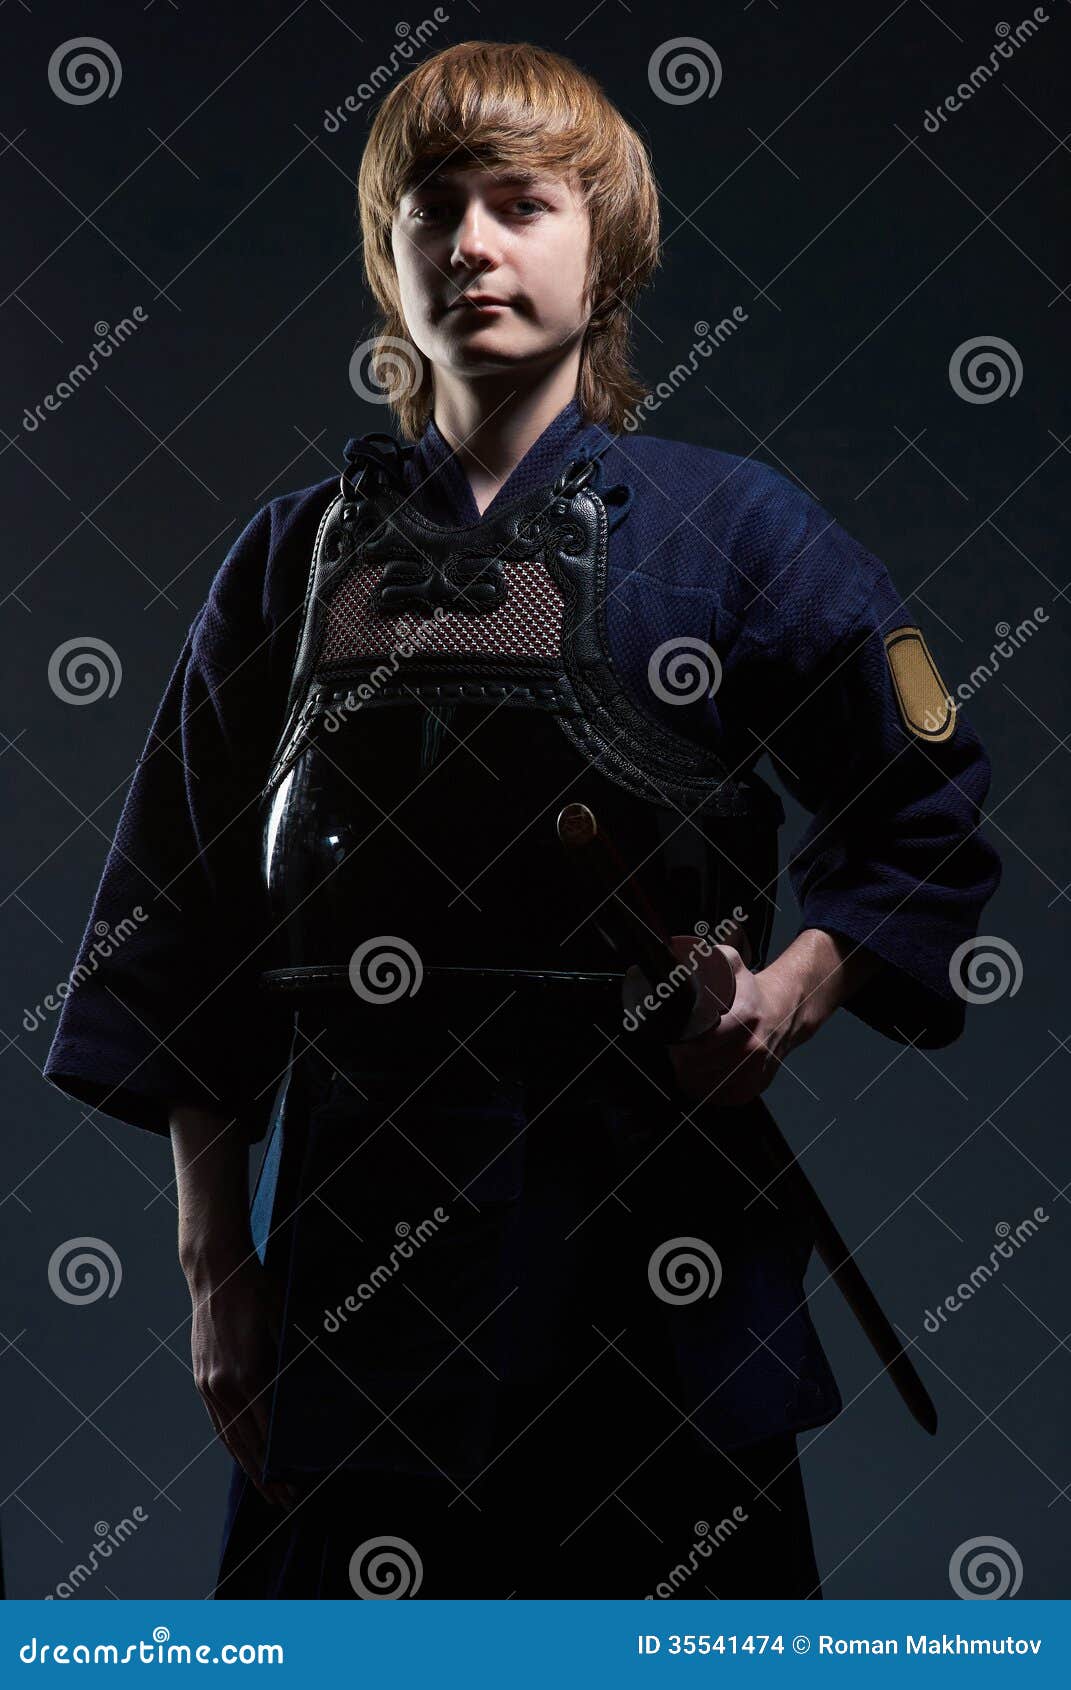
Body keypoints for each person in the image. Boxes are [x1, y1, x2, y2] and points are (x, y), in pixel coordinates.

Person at [43, 40, 1001, 1600]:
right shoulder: (286, 568)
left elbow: (924, 807)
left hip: (664, 1281)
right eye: (433, 209)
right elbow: (182, 932)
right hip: (361, 1285)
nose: (473, 243)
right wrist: (219, 1269)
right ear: (390, 256)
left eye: (522, 203)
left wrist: (785, 992)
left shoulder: (742, 532)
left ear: (601, 246)